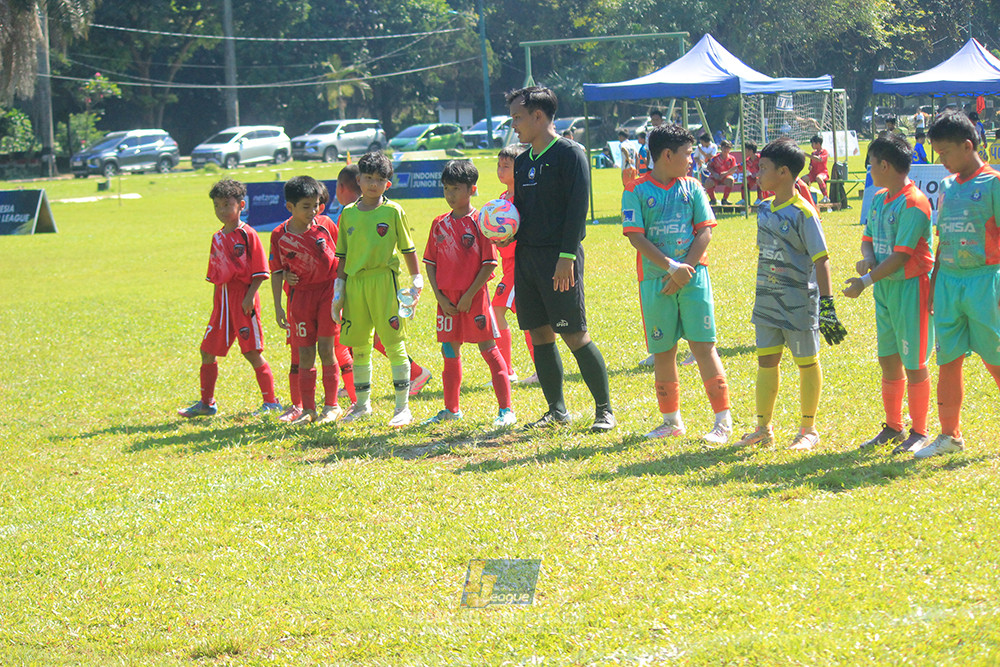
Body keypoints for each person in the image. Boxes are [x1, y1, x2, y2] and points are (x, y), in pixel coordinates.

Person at [505, 85, 615, 431]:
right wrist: (503, 225)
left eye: (518, 118)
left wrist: (567, 256)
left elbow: (576, 211)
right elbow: (520, 211)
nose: (515, 126)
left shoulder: (571, 154)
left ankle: (605, 410)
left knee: (574, 334)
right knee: (539, 334)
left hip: (559, 257)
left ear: (539, 116)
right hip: (526, 258)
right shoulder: (522, 162)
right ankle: (557, 411)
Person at [622, 124, 733, 442]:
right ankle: (671, 421)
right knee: (664, 351)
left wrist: (687, 268)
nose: (692, 159)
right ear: (666, 155)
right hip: (656, 281)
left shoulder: (694, 187)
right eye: (687, 153)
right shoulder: (636, 190)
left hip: (694, 279)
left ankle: (722, 423)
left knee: (703, 347)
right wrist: (671, 267)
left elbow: (705, 231)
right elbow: (636, 237)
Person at [736, 138, 848, 451]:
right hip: (767, 301)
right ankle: (763, 428)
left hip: (799, 302)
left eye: (763, 168)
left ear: (784, 172)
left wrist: (826, 307)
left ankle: (808, 429)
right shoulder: (762, 209)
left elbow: (821, 260)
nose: (757, 173)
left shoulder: (804, 213)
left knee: (806, 363)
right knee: (766, 363)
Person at [914, 111, 1000, 457]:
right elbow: (942, 239)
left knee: (995, 358)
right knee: (947, 359)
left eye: (946, 152)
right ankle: (950, 435)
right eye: (937, 153)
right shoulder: (947, 187)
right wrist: (935, 284)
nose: (941, 160)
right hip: (949, 283)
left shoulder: (993, 183)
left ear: (968, 146)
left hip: (985, 283)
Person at [842, 136, 934, 454]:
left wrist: (864, 280)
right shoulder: (880, 197)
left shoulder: (915, 202)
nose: (868, 169)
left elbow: (901, 256)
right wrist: (867, 257)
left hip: (912, 288)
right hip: (885, 289)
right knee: (888, 359)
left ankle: (919, 431)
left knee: (914, 362)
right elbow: (867, 237)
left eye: (870, 164)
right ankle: (893, 427)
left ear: (884, 165)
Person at [332, 151, 423, 427]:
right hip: (355, 285)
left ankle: (402, 408)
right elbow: (343, 257)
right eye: (368, 178)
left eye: (379, 179)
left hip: (384, 281)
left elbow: (408, 248)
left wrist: (416, 278)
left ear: (388, 184)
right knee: (359, 346)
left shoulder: (393, 211)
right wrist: (339, 289)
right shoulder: (347, 214)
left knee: (395, 344)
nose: (373, 184)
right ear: (358, 180)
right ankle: (361, 405)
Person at [422, 160, 516, 428]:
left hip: (474, 300)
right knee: (449, 351)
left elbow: (489, 265)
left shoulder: (481, 222)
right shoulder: (438, 224)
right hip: (447, 302)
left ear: (472, 189)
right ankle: (451, 409)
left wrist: (468, 295)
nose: (450, 195)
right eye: (446, 189)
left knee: (489, 350)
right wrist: (440, 297)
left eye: (456, 189)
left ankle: (506, 410)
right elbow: (430, 263)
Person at [178, 178, 279, 418]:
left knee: (251, 352)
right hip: (222, 303)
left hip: (243, 301)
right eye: (217, 206)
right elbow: (216, 275)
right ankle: (207, 403)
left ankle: (272, 402)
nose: (221, 211)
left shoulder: (248, 235)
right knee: (207, 351)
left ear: (241, 205)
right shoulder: (217, 237)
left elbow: (260, 272)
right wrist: (217, 307)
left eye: (226, 205)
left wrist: (249, 298)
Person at [268, 175, 348, 425]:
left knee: (326, 349)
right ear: (290, 207)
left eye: (316, 205)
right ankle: (308, 409)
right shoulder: (279, 235)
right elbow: (278, 270)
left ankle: (332, 406)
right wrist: (279, 305)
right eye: (306, 206)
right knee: (304, 354)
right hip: (300, 299)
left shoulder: (325, 225)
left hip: (326, 294)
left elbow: (341, 257)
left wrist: (342, 292)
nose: (312, 211)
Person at [492, 144, 536, 384]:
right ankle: (541, 368)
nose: (500, 170)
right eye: (499, 165)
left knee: (495, 310)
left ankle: (506, 370)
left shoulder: (522, 198)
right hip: (508, 267)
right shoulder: (502, 199)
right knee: (532, 320)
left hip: (519, 268)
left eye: (506, 166)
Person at [705, 139, 739, 206]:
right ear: (721, 148)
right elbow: (708, 167)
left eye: (728, 148)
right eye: (724, 148)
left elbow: (734, 169)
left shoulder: (732, 159)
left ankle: (724, 199)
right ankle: (713, 200)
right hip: (715, 176)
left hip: (726, 176)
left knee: (731, 180)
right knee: (708, 182)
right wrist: (714, 173)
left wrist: (725, 174)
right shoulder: (715, 158)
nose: (726, 150)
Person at [806, 134, 830, 203]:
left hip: (823, 173)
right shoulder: (813, 153)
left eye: (813, 143)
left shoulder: (824, 152)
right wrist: (810, 166)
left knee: (818, 178)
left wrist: (807, 155)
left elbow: (819, 159)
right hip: (813, 174)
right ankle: (805, 197)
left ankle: (826, 197)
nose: (811, 145)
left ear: (818, 144)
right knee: (801, 180)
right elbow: (811, 163)